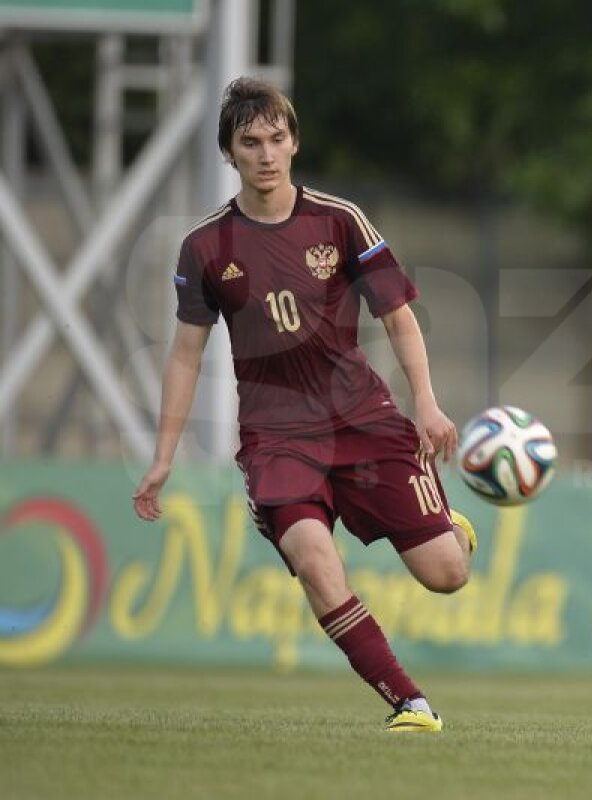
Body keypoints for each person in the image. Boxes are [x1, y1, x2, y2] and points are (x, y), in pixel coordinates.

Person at [132, 77, 475, 733]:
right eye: (250, 142)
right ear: (229, 153)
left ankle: (452, 527)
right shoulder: (206, 247)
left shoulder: (339, 221)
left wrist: (426, 406)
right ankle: (412, 704)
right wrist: (162, 457)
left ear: (294, 142)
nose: (266, 153)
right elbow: (184, 355)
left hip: (364, 421)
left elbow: (400, 316)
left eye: (277, 138)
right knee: (318, 564)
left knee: (447, 574)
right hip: (277, 438)